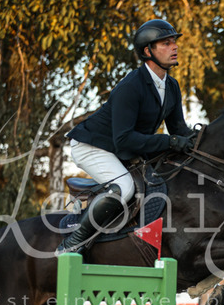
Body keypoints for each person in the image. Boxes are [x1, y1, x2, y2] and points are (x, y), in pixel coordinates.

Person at [56, 19, 195, 255]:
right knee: (125, 187)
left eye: (174, 42)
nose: (174, 47)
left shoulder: (171, 86)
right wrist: (170, 142)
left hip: (123, 147)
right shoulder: (131, 86)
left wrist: (204, 139)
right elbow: (124, 139)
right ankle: (72, 243)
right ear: (147, 51)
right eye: (166, 43)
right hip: (92, 146)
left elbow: (179, 129)